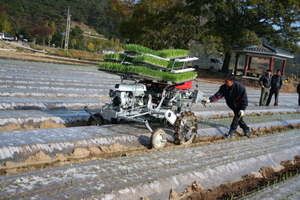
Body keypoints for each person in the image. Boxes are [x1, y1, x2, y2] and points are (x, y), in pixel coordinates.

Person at [204, 74, 250, 139]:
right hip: (233, 106)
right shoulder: (224, 87)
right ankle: (247, 130)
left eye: (226, 81)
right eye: (224, 81)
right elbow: (218, 95)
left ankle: (230, 134)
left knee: (236, 120)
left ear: (232, 81)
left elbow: (244, 99)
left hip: (239, 107)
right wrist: (209, 100)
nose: (225, 83)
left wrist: (242, 109)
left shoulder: (239, 87)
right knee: (240, 120)